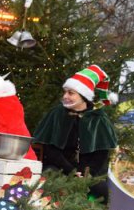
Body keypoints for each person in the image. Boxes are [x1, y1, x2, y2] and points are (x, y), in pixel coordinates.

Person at [32, 65, 118, 202]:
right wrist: (71, 171)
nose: (65, 96)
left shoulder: (98, 118)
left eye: (70, 93)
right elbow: (51, 150)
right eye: (65, 92)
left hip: (88, 172)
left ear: (83, 96)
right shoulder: (57, 113)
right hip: (58, 168)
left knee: (100, 190)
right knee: (50, 181)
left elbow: (101, 153)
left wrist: (86, 174)